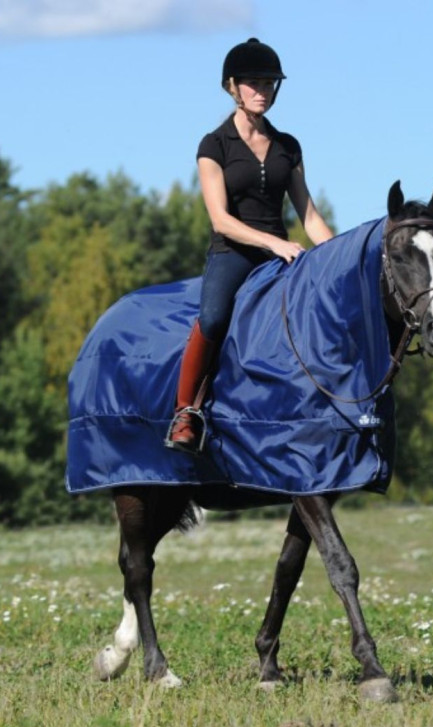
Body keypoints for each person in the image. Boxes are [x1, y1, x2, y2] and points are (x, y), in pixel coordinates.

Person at [166, 37, 334, 453]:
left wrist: (336, 258)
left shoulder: (288, 146)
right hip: (235, 253)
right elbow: (221, 220)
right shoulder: (213, 145)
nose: (262, 90)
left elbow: (309, 215)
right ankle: (186, 412)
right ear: (232, 87)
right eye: (253, 82)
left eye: (269, 83)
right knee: (214, 315)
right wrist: (275, 243)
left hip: (284, 255)